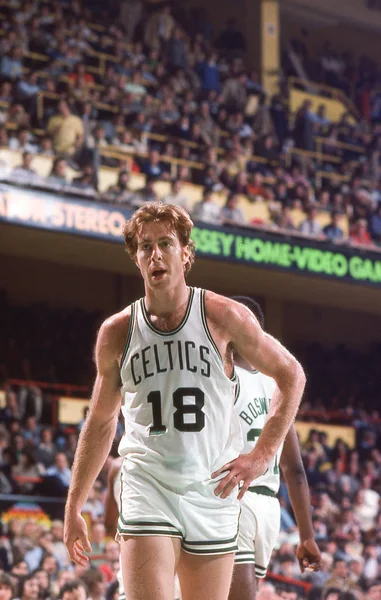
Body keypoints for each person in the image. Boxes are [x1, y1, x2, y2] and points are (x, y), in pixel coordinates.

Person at [64, 202, 306, 600]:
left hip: (210, 488)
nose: (155, 254)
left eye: (166, 243)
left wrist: (262, 455)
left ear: (185, 253)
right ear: (136, 258)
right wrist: (75, 504)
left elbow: (291, 375)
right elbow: (102, 422)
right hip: (148, 484)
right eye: (145, 247)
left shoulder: (224, 315)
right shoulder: (116, 332)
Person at [227, 297, 321, 600]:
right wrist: (306, 535)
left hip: (234, 499)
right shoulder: (278, 385)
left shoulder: (221, 378)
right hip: (268, 510)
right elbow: (294, 469)